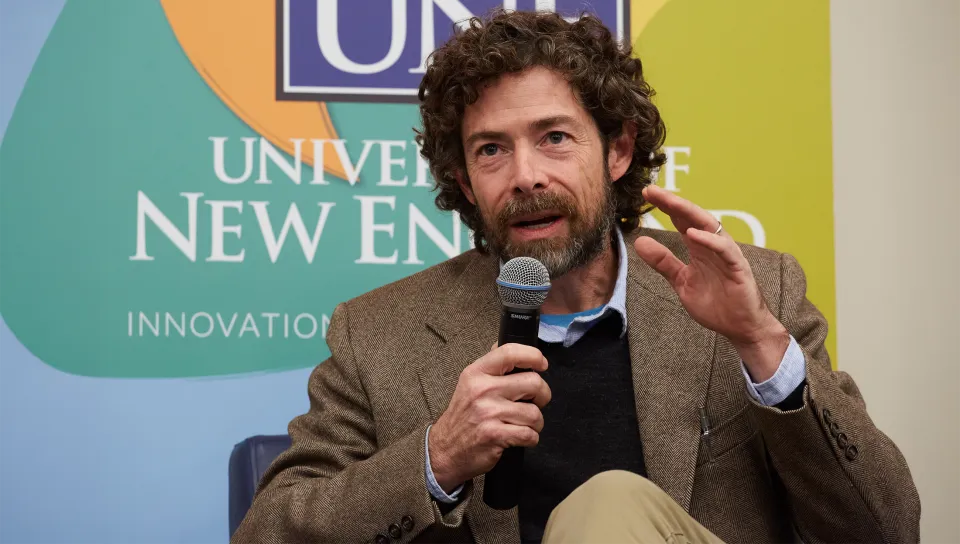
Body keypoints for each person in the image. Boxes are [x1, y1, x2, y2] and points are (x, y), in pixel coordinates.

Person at [231, 9, 920, 544]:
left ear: (618, 150)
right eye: (491, 149)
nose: (525, 174)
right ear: (465, 180)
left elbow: (884, 528)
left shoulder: (755, 294)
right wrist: (436, 460)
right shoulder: (379, 335)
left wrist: (764, 348)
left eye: (554, 138)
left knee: (608, 505)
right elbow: (269, 532)